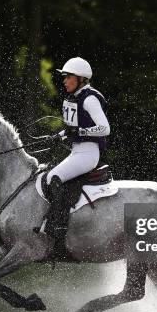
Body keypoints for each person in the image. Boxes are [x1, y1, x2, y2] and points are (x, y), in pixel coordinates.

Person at [36, 57, 111, 237]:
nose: (64, 81)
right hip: (77, 152)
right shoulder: (73, 98)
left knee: (53, 178)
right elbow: (72, 130)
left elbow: (105, 128)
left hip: (88, 153)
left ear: (80, 79)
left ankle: (58, 225)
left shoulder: (90, 99)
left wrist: (80, 132)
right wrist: (58, 136)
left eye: (68, 77)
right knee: (46, 177)